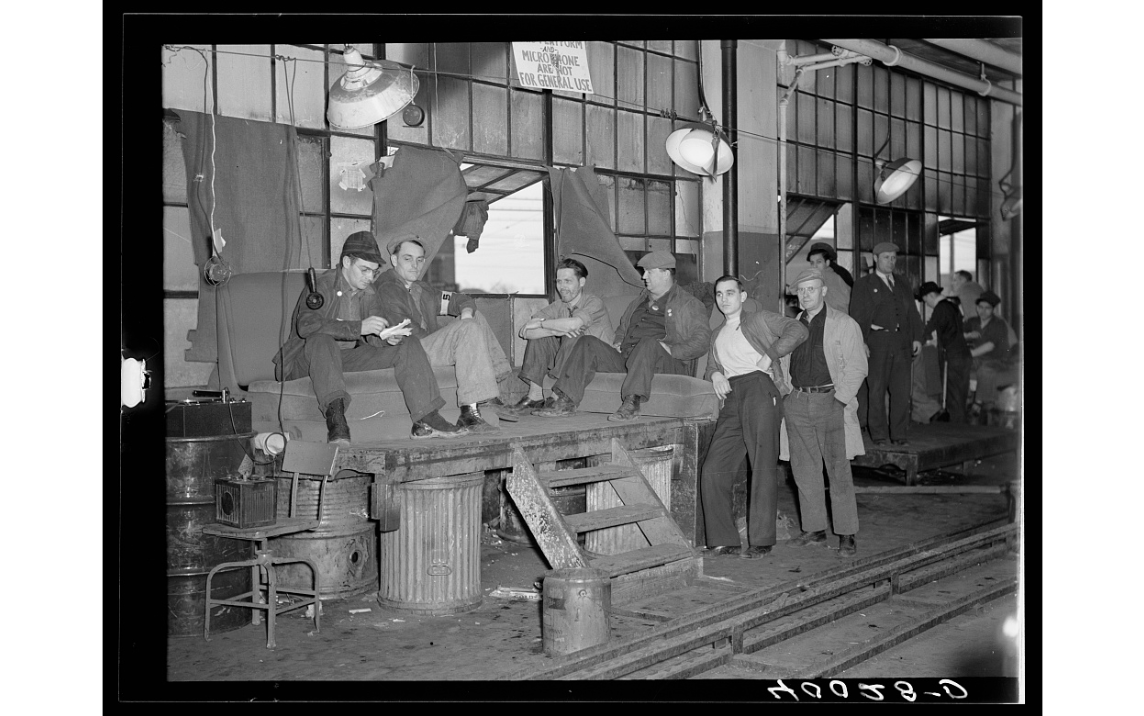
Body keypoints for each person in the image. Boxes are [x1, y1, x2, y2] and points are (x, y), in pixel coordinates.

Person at [273, 231, 468, 443]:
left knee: (408, 342)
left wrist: (386, 337)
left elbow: (373, 337)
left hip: (344, 360)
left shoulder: (369, 292)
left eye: (373, 272)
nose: (369, 278)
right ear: (347, 262)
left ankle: (426, 419)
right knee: (322, 340)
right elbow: (307, 326)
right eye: (364, 270)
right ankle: (336, 419)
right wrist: (359, 328)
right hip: (306, 361)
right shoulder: (323, 285)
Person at [700, 276, 808, 558]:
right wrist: (714, 374)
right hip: (732, 398)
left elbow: (797, 329)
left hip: (760, 390)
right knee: (713, 469)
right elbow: (711, 364)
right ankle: (724, 540)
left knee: (760, 466)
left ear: (743, 296)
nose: (724, 299)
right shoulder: (716, 333)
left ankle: (761, 540)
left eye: (731, 293)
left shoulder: (758, 319)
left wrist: (769, 355)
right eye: (719, 294)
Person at [534, 250, 711, 421]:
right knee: (587, 341)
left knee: (648, 343)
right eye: (644, 272)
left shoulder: (688, 303)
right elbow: (623, 328)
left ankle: (631, 403)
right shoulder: (639, 301)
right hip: (628, 359)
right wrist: (618, 341)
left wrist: (672, 350)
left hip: (664, 362)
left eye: (649, 272)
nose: (644, 277)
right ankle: (566, 401)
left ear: (666, 274)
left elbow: (702, 341)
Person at [374, 235, 514, 434]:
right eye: (408, 258)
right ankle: (469, 412)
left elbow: (460, 299)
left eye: (419, 259)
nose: (415, 265)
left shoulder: (421, 288)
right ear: (394, 260)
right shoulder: (387, 288)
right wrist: (452, 336)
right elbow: (409, 332)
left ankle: (493, 385)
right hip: (410, 352)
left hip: (428, 344)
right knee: (467, 329)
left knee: (476, 317)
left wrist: (465, 312)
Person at [782, 268, 867, 558]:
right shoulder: (791, 325)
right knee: (803, 470)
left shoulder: (844, 324)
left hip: (831, 401)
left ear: (824, 291)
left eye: (811, 289)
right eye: (801, 290)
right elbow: (780, 362)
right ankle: (814, 530)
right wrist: (786, 394)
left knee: (838, 471)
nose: (806, 295)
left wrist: (840, 400)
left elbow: (858, 367)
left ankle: (846, 534)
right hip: (797, 403)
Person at [503, 258, 615, 416]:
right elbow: (526, 332)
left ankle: (557, 396)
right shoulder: (558, 306)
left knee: (573, 335)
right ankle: (534, 396)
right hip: (571, 358)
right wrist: (554, 331)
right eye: (559, 281)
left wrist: (543, 324)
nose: (562, 287)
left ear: (582, 282)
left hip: (597, 359)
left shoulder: (594, 302)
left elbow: (572, 325)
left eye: (568, 281)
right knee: (542, 336)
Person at [849, 242, 923, 446]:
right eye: (886, 257)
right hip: (877, 342)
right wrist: (862, 342)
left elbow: (913, 313)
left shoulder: (903, 283)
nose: (890, 262)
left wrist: (917, 337)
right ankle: (879, 435)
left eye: (893, 258)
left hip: (902, 343)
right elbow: (856, 317)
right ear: (875, 258)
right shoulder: (863, 284)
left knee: (901, 391)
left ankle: (899, 435)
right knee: (877, 390)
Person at [918, 281, 972, 424]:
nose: (927, 304)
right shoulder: (953, 306)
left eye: (926, 301)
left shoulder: (940, 309)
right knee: (960, 396)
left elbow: (928, 330)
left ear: (930, 295)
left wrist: (917, 340)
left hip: (952, 357)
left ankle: (956, 431)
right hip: (963, 354)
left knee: (953, 397)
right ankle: (962, 428)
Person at [963, 290, 1017, 414]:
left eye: (987, 308)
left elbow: (990, 346)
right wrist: (967, 335)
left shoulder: (998, 324)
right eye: (980, 307)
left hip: (998, 359)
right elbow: (957, 334)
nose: (983, 311)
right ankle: (963, 399)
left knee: (985, 370)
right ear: (976, 308)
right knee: (960, 364)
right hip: (979, 358)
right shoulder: (972, 321)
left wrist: (969, 354)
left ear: (993, 310)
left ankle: (980, 403)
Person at [806, 241, 852, 314]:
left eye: (819, 262)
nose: (814, 266)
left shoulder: (826, 275)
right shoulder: (841, 273)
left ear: (827, 262)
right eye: (812, 263)